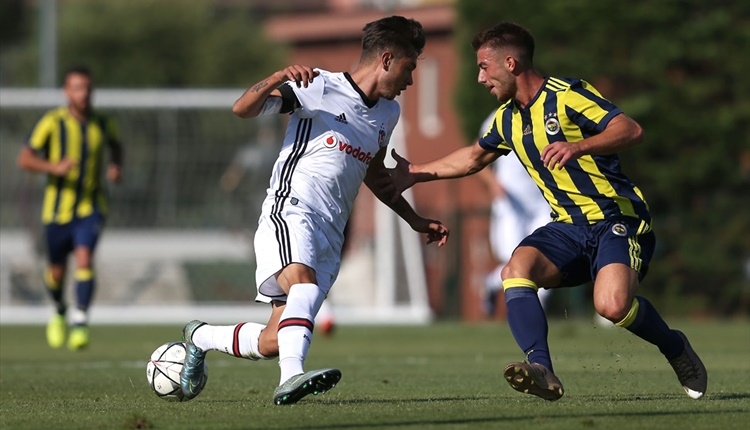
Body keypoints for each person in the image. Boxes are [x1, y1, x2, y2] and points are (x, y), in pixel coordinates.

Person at [386, 22, 707, 401]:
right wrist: (416, 173)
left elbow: (630, 129)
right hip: (567, 226)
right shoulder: (507, 118)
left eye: (484, 67)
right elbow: (473, 158)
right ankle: (541, 367)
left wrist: (580, 146)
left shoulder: (568, 95)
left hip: (617, 219)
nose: (479, 77)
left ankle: (674, 347)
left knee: (612, 306)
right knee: (515, 270)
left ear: (511, 62)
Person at [178, 15, 449, 405]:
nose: (410, 81)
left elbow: (375, 176)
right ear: (388, 59)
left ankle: (199, 336)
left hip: (331, 233)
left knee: (274, 339)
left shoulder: (387, 114)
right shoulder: (319, 86)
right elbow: (243, 108)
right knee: (301, 285)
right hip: (291, 210)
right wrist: (277, 78)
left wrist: (414, 220)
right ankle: (292, 378)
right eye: (410, 68)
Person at [17, 66, 123, 351]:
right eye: (77, 88)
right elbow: (25, 158)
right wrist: (54, 167)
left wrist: (115, 166)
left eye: (87, 88)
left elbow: (116, 146)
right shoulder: (53, 122)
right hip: (56, 212)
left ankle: (80, 321)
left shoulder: (102, 122)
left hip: (91, 207)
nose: (83, 93)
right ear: (67, 91)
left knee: (85, 258)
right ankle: (60, 310)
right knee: (56, 272)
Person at [474, 111, 552, 317]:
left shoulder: (547, 112)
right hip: (511, 203)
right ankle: (491, 285)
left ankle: (535, 314)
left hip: (542, 201)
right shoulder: (497, 118)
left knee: (546, 255)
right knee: (513, 260)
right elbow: (476, 157)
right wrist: (493, 185)